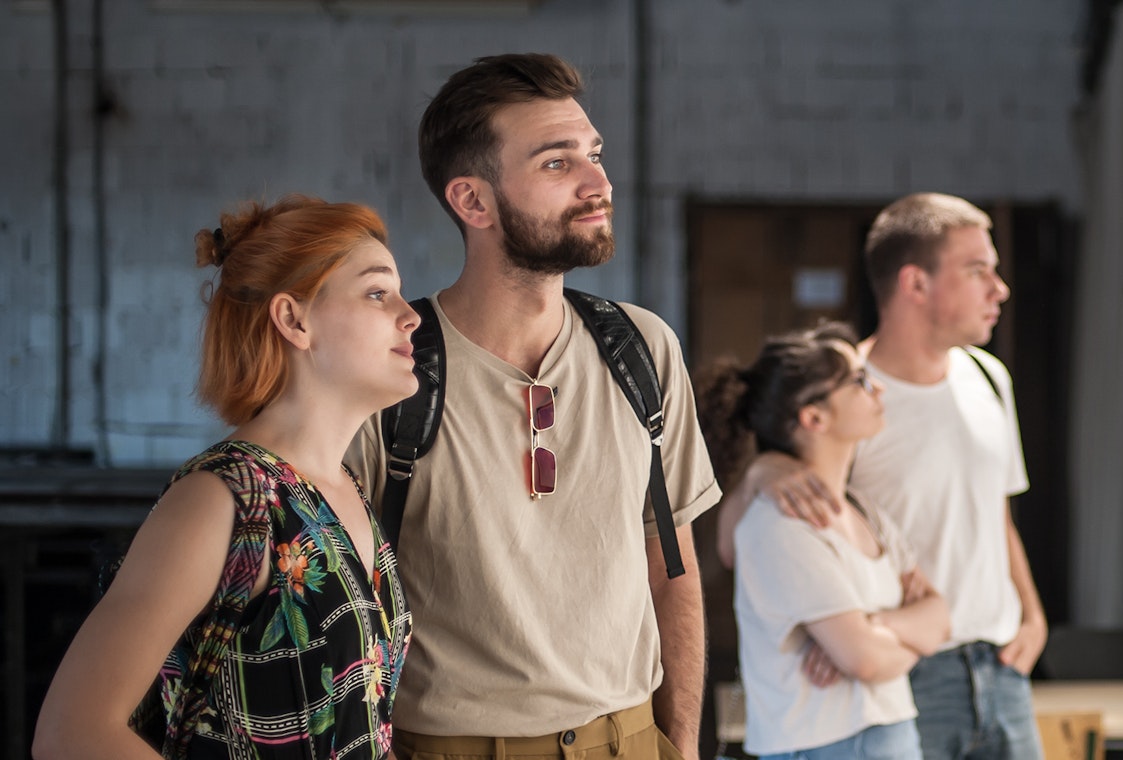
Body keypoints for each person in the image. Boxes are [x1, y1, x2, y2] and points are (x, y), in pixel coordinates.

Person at [343, 53, 721, 760]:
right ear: (473, 202)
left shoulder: (642, 348)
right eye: (556, 163)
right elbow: (334, 602)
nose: (598, 182)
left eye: (594, 154)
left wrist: (685, 746)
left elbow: (672, 569)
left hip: (632, 740)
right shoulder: (391, 372)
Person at [33, 196, 419, 760]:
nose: (410, 315)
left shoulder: (345, 489)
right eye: (377, 292)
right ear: (294, 319)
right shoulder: (223, 499)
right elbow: (73, 734)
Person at [716, 193, 1046, 760]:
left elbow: (995, 515)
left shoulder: (990, 379)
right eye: (977, 271)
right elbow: (735, 544)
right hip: (906, 676)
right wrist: (763, 470)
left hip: (1001, 665)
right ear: (915, 283)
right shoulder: (843, 398)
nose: (1000, 288)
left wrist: (1034, 617)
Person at [697, 322, 950, 760]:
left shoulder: (865, 510)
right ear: (813, 417)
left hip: (889, 731)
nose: (878, 390)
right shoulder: (779, 525)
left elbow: (940, 617)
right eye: (858, 381)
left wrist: (873, 626)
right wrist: (901, 637)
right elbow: (868, 660)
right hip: (821, 746)